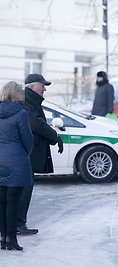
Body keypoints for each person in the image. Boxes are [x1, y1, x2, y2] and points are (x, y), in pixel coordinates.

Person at [16, 74, 64, 235]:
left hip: (26, 152)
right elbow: (36, 124)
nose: (44, 89)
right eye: (42, 85)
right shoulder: (27, 102)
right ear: (32, 87)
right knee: (24, 188)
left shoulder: (30, 101)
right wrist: (55, 136)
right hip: (25, 153)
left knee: (24, 188)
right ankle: (18, 224)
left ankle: (18, 223)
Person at [0, 81, 33, 251]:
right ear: (15, 94)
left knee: (2, 202)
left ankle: (2, 238)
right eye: (21, 92)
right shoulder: (21, 113)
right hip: (16, 163)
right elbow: (27, 141)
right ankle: (11, 240)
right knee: (13, 202)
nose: (23, 95)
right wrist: (26, 153)